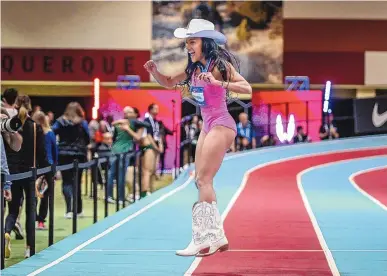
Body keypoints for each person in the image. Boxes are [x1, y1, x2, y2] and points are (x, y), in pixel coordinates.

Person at [144, 18, 252, 257]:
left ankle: (203, 239)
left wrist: (218, 82)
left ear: (206, 42)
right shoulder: (193, 69)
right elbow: (170, 82)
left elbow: (247, 88)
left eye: (192, 41)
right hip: (208, 125)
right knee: (200, 181)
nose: (188, 47)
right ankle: (216, 237)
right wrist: (155, 73)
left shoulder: (220, 65)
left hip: (222, 124)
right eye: (187, 42)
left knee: (204, 180)